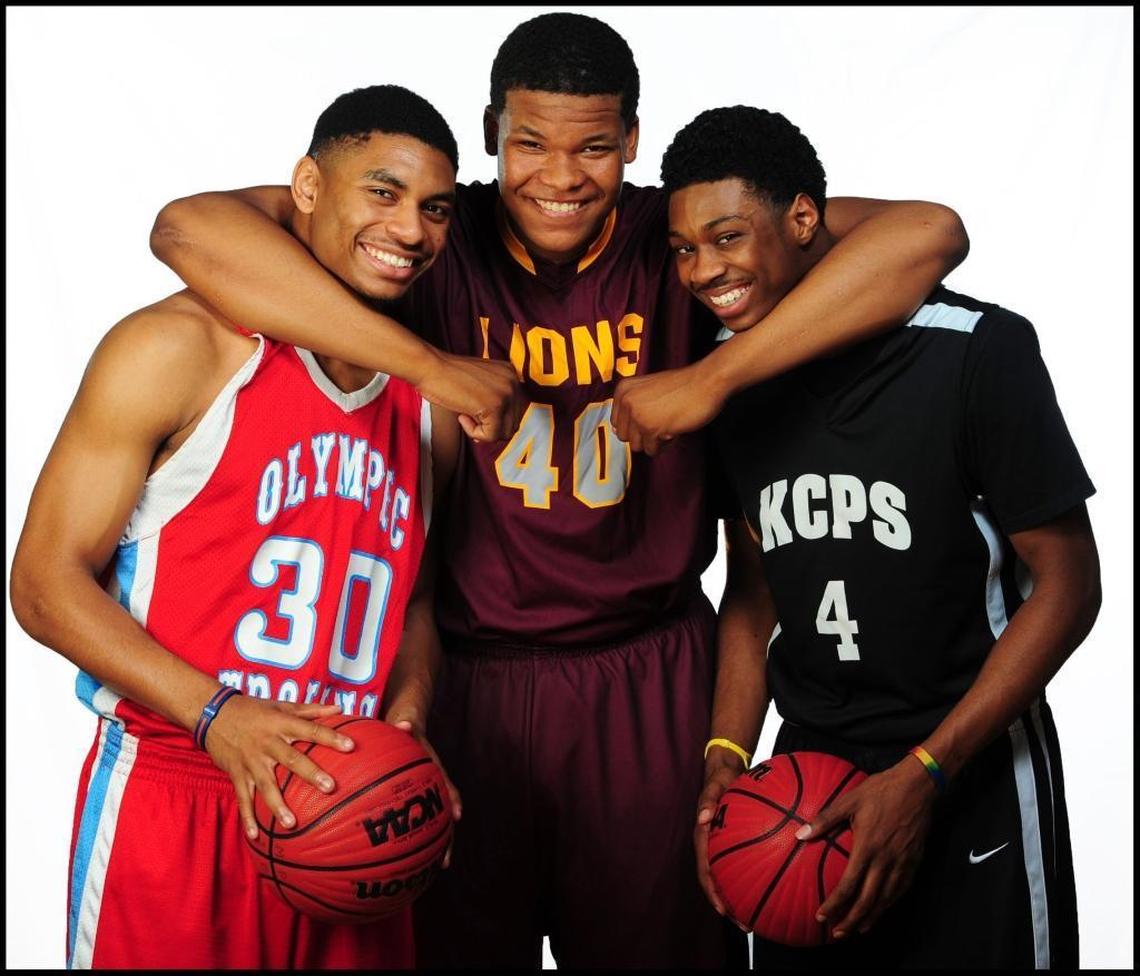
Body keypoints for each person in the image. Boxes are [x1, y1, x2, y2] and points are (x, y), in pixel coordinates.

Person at [145, 14, 970, 967]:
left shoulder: (681, 237)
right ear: (493, 133)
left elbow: (927, 235)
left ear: (632, 140)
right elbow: (188, 228)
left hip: (650, 672)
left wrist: (711, 380)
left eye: (594, 146)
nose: (561, 177)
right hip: (464, 675)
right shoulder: (433, 235)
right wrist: (429, 364)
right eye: (531, 143)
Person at [10, 85, 467, 969]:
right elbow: (42, 585)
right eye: (382, 192)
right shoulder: (181, 347)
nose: (410, 230)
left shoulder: (427, 406)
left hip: (349, 804)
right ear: (304, 187)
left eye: (435, 209)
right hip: (178, 789)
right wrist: (218, 716)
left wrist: (406, 722)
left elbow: (414, 601)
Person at [660, 105, 1100, 969]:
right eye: (683, 249)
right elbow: (753, 593)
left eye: (726, 237)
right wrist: (725, 752)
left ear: (802, 219)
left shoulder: (978, 350)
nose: (704, 271)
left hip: (971, 776)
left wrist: (927, 771)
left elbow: (1070, 587)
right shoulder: (729, 379)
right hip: (803, 793)